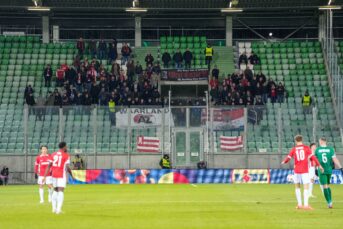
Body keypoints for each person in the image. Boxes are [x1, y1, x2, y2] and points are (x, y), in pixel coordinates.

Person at [281, 135, 323, 210]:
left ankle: (299, 205)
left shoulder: (294, 149)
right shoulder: (306, 148)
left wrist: (284, 161)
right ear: (302, 140)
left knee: (297, 187)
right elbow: (313, 157)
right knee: (306, 187)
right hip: (304, 170)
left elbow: (288, 158)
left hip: (297, 170)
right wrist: (319, 165)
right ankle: (306, 205)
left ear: (296, 141)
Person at [43, 142, 73, 214]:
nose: (67, 148)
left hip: (54, 175)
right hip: (61, 175)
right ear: (64, 147)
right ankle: (58, 210)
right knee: (61, 191)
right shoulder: (66, 155)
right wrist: (72, 175)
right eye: (66, 147)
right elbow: (67, 167)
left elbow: (49, 165)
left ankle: (53, 209)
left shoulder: (53, 154)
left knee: (55, 190)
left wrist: (44, 176)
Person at [315, 137, 343, 208]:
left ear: (321, 141)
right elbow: (335, 159)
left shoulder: (317, 150)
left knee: (324, 186)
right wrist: (340, 167)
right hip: (329, 170)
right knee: (327, 185)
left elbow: (315, 160)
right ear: (326, 142)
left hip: (321, 170)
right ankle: (330, 201)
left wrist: (315, 168)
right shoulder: (331, 149)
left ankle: (329, 202)